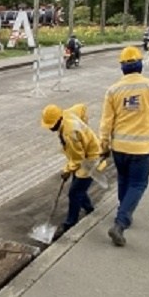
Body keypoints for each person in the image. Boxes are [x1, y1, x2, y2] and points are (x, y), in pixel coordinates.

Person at [98, 46, 149, 247]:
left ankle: (123, 212)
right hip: (142, 149)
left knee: (124, 180)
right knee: (138, 184)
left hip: (119, 147)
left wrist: (104, 145)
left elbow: (106, 122)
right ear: (140, 65)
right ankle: (120, 222)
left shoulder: (113, 90)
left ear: (122, 67)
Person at [41, 102, 102, 239]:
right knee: (78, 187)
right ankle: (89, 208)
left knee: (74, 192)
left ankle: (70, 222)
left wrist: (67, 170)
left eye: (51, 125)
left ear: (58, 120)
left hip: (90, 159)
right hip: (86, 154)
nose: (50, 128)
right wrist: (84, 129)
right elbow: (82, 107)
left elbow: (77, 158)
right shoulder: (67, 113)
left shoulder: (70, 133)